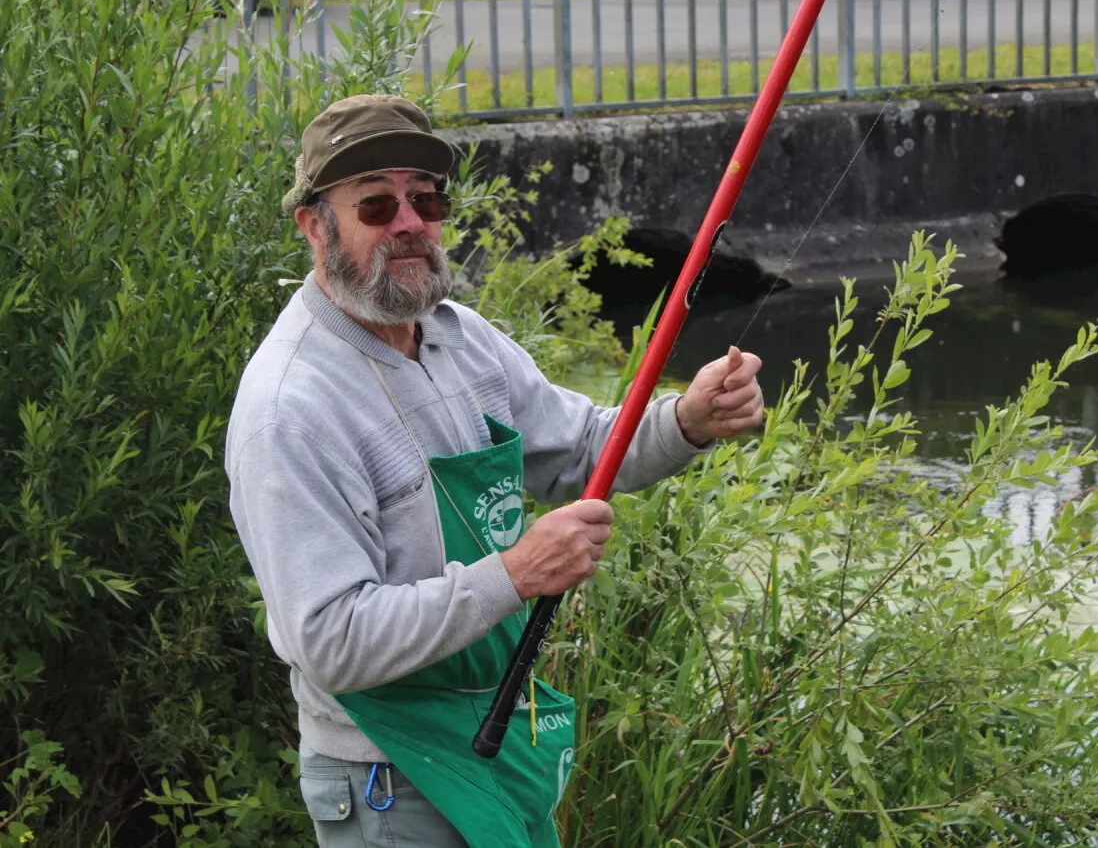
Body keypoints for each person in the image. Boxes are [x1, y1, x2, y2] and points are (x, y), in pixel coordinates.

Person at [224, 93, 764, 848]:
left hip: (497, 737)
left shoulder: (459, 338)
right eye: (376, 205)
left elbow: (581, 448)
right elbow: (330, 639)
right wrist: (515, 572)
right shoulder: (291, 407)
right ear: (315, 225)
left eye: (426, 198)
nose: (409, 222)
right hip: (388, 779)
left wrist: (685, 419)